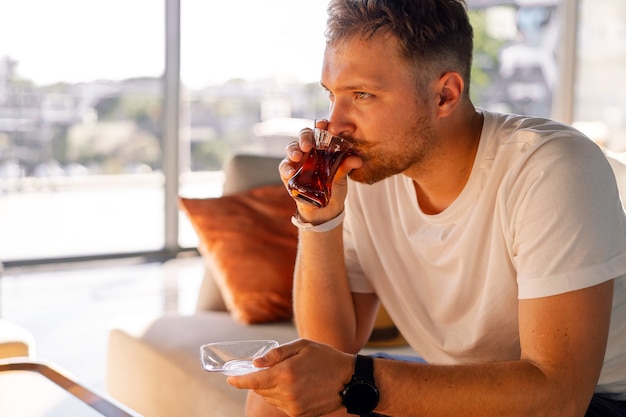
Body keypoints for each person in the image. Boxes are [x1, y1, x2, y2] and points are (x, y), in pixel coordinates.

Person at [228, 0, 626, 416]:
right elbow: (329, 349)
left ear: (445, 95)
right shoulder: (370, 170)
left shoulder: (549, 167)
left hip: (596, 400)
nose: (335, 122)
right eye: (332, 95)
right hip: (470, 377)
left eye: (362, 95)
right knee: (276, 400)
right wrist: (319, 219)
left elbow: (558, 398)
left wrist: (355, 380)